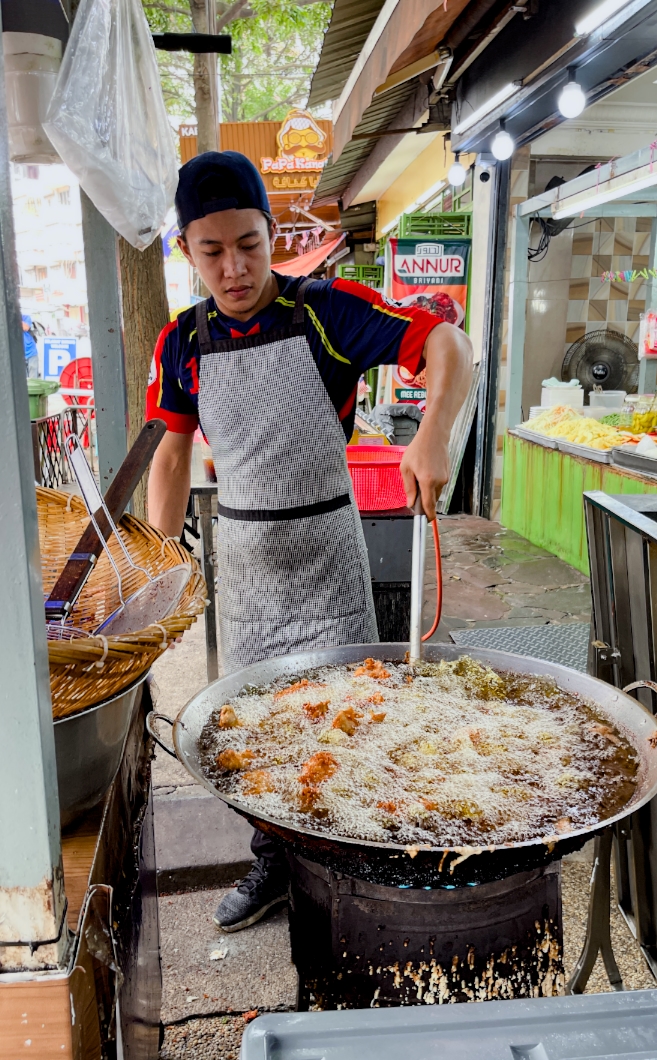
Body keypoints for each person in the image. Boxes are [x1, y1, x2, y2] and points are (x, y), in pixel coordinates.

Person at [145, 151, 473, 932]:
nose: (234, 268)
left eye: (250, 244)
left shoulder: (324, 311)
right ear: (187, 251)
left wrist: (434, 432)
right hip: (248, 566)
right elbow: (168, 453)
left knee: (346, 719)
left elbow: (447, 349)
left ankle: (351, 871)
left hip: (328, 554)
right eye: (213, 250)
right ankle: (276, 862)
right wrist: (157, 568)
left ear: (271, 233)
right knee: (260, 733)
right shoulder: (182, 343)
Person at [21, 313, 39, 377]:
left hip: (31, 353)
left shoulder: (26, 317)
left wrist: (15, 318)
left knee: (33, 379)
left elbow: (25, 327)